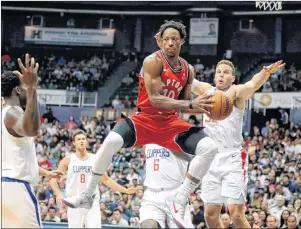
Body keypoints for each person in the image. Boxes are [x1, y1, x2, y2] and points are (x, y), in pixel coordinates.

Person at [63, 20, 218, 228]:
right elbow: (155, 99)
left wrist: (204, 107)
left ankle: (181, 198)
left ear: (182, 41)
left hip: (170, 122)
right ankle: (88, 193)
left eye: (175, 39)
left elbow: (184, 104)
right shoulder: (152, 61)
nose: (171, 43)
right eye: (167, 39)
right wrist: (191, 103)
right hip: (144, 119)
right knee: (110, 142)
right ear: (160, 42)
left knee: (210, 147)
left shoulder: (188, 70)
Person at [191, 59, 285, 228]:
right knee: (210, 215)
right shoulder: (206, 91)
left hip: (232, 157)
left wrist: (266, 72)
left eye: (226, 72)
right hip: (210, 158)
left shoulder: (237, 92)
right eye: (219, 71)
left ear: (233, 78)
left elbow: (253, 84)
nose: (221, 75)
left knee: (236, 214)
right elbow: (189, 80)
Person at [2, 54, 63, 228]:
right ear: (18, 90)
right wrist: (32, 87)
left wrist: (46, 173)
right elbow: (32, 130)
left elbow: (15, 159)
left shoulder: (3, 115)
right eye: (22, 84)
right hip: (17, 188)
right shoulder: (13, 113)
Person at [50, 129, 141, 228]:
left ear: (86, 141)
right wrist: (59, 194)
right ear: (74, 143)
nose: (81, 141)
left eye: (83, 139)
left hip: (91, 202)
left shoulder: (95, 159)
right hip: (74, 202)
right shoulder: (68, 160)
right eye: (79, 139)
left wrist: (125, 190)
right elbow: (53, 179)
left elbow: (106, 179)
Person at [139, 144, 194, 228]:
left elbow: (190, 157)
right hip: (152, 193)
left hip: (175, 193)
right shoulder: (149, 140)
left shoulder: (181, 136)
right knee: (147, 225)